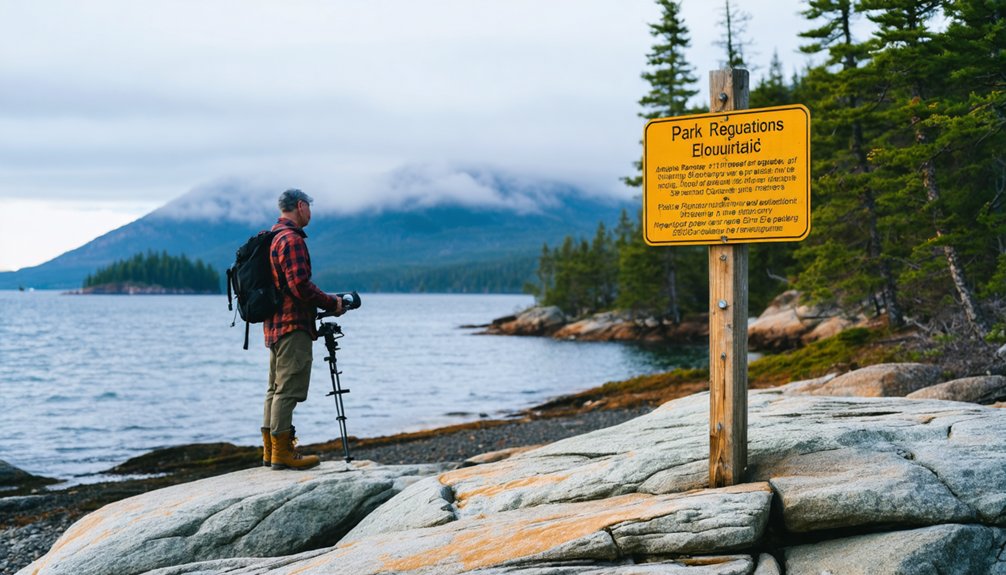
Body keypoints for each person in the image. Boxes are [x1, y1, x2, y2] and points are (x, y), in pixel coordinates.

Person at [261, 188, 343, 470]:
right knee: (288, 391)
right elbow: (300, 285)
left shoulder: (271, 237)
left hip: (273, 325)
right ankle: (282, 453)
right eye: (309, 206)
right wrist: (332, 302)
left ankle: (270, 451)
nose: (310, 212)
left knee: (274, 389)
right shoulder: (291, 239)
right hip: (293, 325)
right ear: (300, 206)